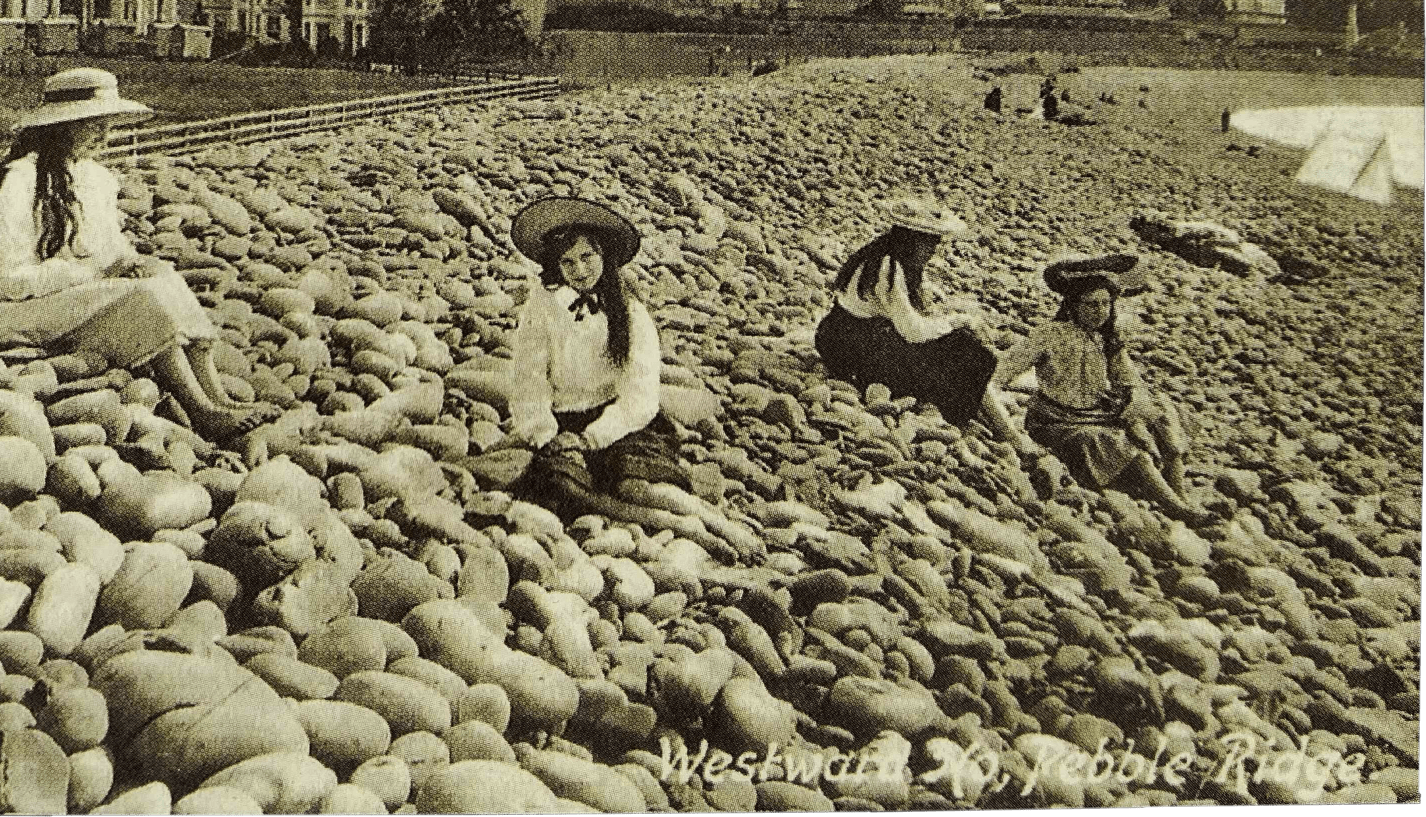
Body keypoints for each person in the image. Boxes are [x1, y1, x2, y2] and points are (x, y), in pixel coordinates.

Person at [0, 67, 273, 442]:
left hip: (75, 290)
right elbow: (11, 278)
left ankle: (219, 399)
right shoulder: (19, 179)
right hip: (14, 303)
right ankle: (200, 411)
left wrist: (127, 262)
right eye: (94, 125)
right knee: (140, 298)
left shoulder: (96, 178)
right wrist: (91, 274)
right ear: (62, 126)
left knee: (163, 277)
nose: (105, 136)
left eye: (109, 124)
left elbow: (109, 248)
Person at [492, 195, 761, 560]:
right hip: (561, 423)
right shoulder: (543, 306)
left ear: (604, 257)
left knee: (637, 484)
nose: (580, 269)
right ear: (556, 265)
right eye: (567, 261)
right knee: (570, 488)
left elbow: (641, 396)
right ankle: (683, 528)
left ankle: (710, 522)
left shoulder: (630, 313)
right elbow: (528, 380)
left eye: (588, 257)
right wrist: (544, 433)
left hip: (617, 422)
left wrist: (592, 438)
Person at [989, 254, 1213, 525]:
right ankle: (1175, 508)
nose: (1100, 311)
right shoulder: (1050, 334)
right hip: (1058, 422)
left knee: (1165, 414)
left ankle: (1180, 494)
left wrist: (1131, 410)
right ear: (1073, 305)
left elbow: (1130, 382)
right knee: (1118, 445)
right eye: (1092, 304)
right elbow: (1004, 371)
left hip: (1097, 414)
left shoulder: (1106, 340)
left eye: (1106, 303)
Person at [814, 196, 1031, 445]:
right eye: (929, 244)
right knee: (970, 352)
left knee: (953, 351)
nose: (932, 251)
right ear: (911, 241)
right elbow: (912, 331)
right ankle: (1002, 430)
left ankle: (989, 415)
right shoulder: (889, 269)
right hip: (857, 349)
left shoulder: (878, 255)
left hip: (839, 339)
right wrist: (956, 322)